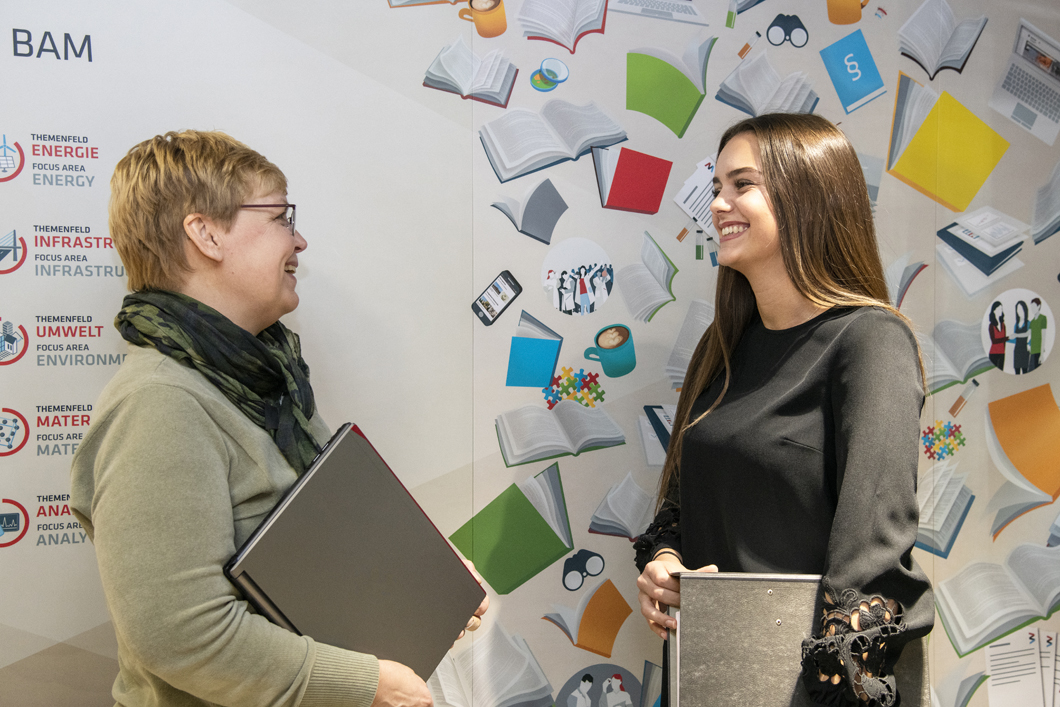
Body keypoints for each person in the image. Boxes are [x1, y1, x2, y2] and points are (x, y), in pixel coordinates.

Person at [70, 130, 487, 707]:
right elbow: (182, 637)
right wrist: (366, 684)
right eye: (280, 217)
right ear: (206, 234)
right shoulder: (159, 404)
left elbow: (319, 537)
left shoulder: (267, 381)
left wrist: (423, 579)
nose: (300, 240)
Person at [633, 114, 933, 707]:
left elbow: (871, 567)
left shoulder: (869, 341)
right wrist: (665, 561)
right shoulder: (722, 346)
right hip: (712, 677)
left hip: (810, 690)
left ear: (807, 196)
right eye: (717, 187)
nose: (719, 205)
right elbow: (681, 505)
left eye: (742, 185)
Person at [988, 301, 1007, 371]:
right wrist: (1007, 338)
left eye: (1002, 309)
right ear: (995, 310)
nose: (1001, 311)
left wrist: (1003, 351)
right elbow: (994, 341)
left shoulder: (1003, 325)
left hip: (1002, 354)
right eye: (1000, 309)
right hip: (993, 354)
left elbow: (1004, 343)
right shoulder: (991, 325)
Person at [1013, 300, 1030, 374]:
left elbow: (1027, 334)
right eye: (1018, 310)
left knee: (1025, 372)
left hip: (1024, 350)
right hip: (1017, 351)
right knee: (1017, 373)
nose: (1019, 312)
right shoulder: (1016, 325)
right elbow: (1014, 340)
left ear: (1025, 310)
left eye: (1021, 309)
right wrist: (1005, 339)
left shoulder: (1028, 323)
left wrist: (1016, 335)